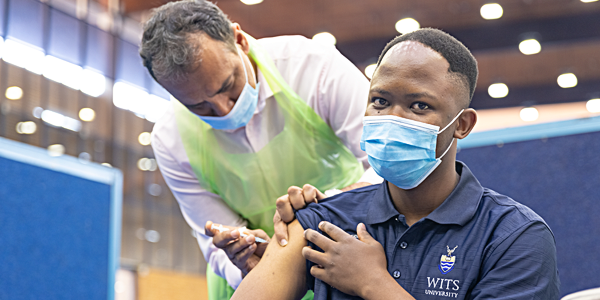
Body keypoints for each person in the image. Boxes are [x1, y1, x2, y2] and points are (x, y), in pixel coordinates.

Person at [219, 28, 560, 299]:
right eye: (380, 101)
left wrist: (374, 285)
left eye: (419, 106)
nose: (393, 118)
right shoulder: (322, 221)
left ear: (462, 124)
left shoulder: (512, 237)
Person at [138, 0, 381, 298]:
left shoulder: (312, 66)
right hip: (253, 281)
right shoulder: (170, 139)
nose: (225, 110)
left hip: (339, 256)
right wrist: (241, 258)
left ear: (240, 40)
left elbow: (384, 164)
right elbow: (212, 238)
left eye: (229, 85)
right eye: (199, 107)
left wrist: (337, 202)